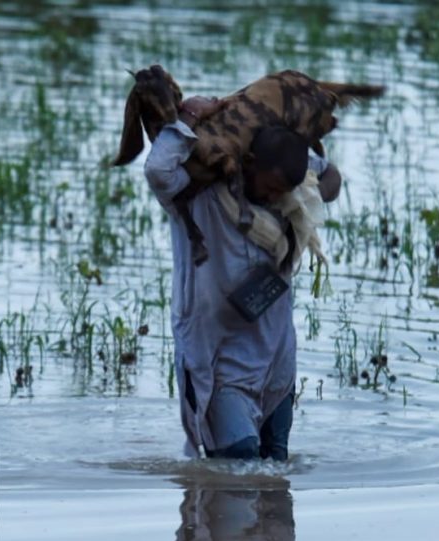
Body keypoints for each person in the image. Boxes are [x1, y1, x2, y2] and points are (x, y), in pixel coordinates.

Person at [144, 95, 341, 460]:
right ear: (248, 164)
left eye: (284, 193)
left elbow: (330, 176)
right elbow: (158, 169)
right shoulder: (197, 195)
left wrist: (311, 193)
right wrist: (189, 119)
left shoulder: (288, 193)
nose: (275, 198)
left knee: (275, 474)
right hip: (219, 365)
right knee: (238, 466)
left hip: (276, 361)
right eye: (269, 189)